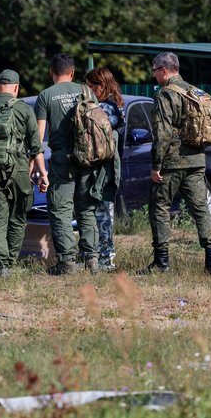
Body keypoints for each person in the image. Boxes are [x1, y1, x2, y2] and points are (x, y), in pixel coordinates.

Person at [139, 52, 211, 274]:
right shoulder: (195, 91)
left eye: (154, 71)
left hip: (172, 163)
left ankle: (161, 262)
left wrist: (156, 165)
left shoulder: (166, 95)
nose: (154, 75)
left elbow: (162, 134)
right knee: (201, 209)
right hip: (196, 161)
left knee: (160, 208)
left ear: (164, 70)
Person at [0, 69, 49, 278]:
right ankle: (10, 262)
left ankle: (1, 266)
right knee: (17, 218)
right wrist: (43, 175)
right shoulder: (24, 110)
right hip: (19, 172)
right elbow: (36, 148)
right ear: (16, 88)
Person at [35, 53, 101, 275]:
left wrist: (36, 169)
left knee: (60, 211)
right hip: (88, 159)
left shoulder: (45, 96)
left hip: (63, 160)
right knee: (86, 208)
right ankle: (92, 261)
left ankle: (67, 263)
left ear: (51, 72)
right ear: (72, 72)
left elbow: (39, 138)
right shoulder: (87, 92)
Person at [84, 67, 124, 272]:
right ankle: (99, 256)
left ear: (103, 86)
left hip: (103, 170)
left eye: (92, 86)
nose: (89, 90)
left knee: (102, 214)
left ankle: (106, 258)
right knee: (100, 212)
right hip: (103, 168)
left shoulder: (107, 108)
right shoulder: (110, 106)